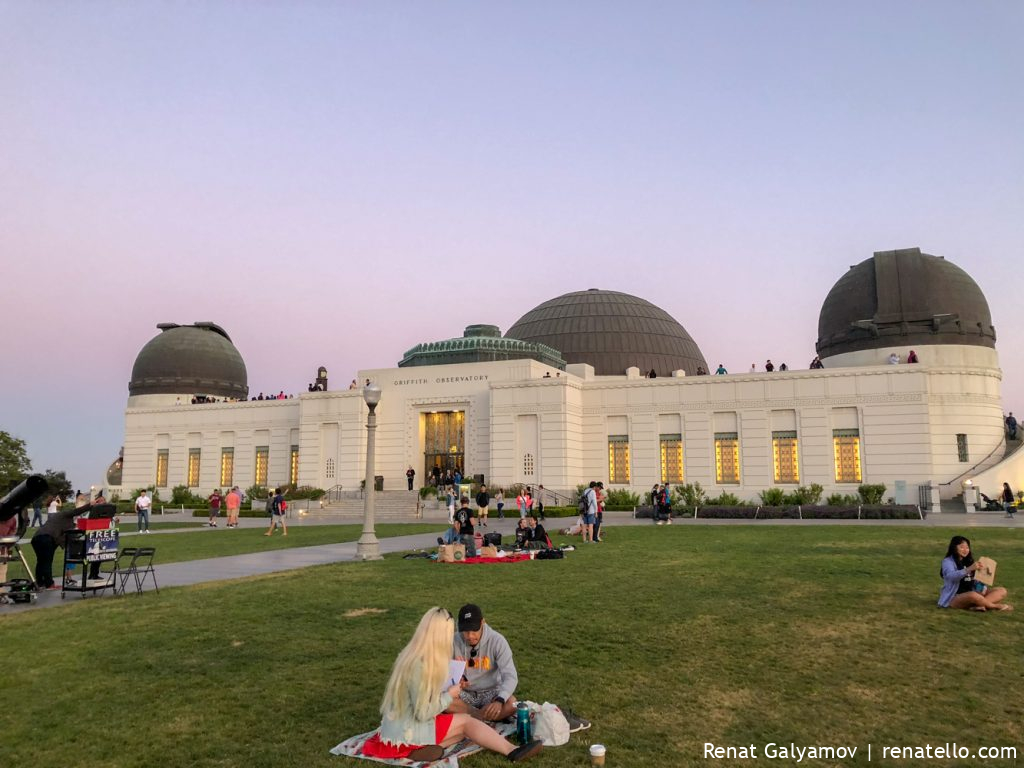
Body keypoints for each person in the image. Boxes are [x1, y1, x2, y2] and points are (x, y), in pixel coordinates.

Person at [360, 607, 542, 764]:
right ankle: (511, 750)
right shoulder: (420, 665)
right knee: (467, 723)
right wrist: (450, 693)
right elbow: (424, 712)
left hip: (397, 729)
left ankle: (428, 747)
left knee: (466, 728)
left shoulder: (411, 655)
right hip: (410, 730)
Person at [449, 604, 529, 733]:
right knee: (441, 700)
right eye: (465, 631)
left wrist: (500, 699)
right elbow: (441, 671)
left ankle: (472, 720)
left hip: (490, 692)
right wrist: (456, 678)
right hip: (464, 694)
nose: (470, 636)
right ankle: (480, 718)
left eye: (474, 630)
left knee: (511, 703)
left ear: (483, 622)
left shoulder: (497, 641)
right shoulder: (452, 641)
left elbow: (510, 676)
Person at [30, 494, 105, 590]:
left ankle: (40, 583)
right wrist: (90, 505)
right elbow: (76, 511)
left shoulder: (60, 521)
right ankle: (49, 584)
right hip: (47, 538)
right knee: (47, 562)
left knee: (41, 561)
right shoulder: (65, 514)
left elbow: (69, 533)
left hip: (37, 538)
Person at [937, 536, 1011, 612]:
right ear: (954, 548)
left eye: (967, 548)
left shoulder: (969, 561)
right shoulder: (948, 561)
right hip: (954, 598)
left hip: (973, 592)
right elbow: (950, 576)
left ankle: (978, 605)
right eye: (962, 547)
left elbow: (976, 580)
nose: (965, 550)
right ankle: (994, 606)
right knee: (973, 595)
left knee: (1002, 590)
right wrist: (968, 569)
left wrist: (984, 575)